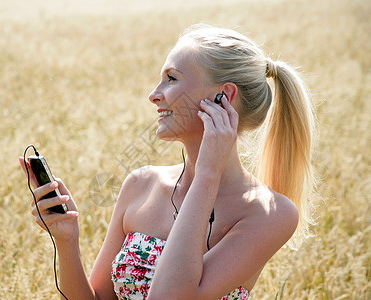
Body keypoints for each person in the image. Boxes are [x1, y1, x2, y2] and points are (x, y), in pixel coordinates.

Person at [19, 24, 316, 300]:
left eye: (171, 78)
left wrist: (207, 175)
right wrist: (67, 241)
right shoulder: (141, 184)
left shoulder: (270, 213)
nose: (154, 95)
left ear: (223, 96)